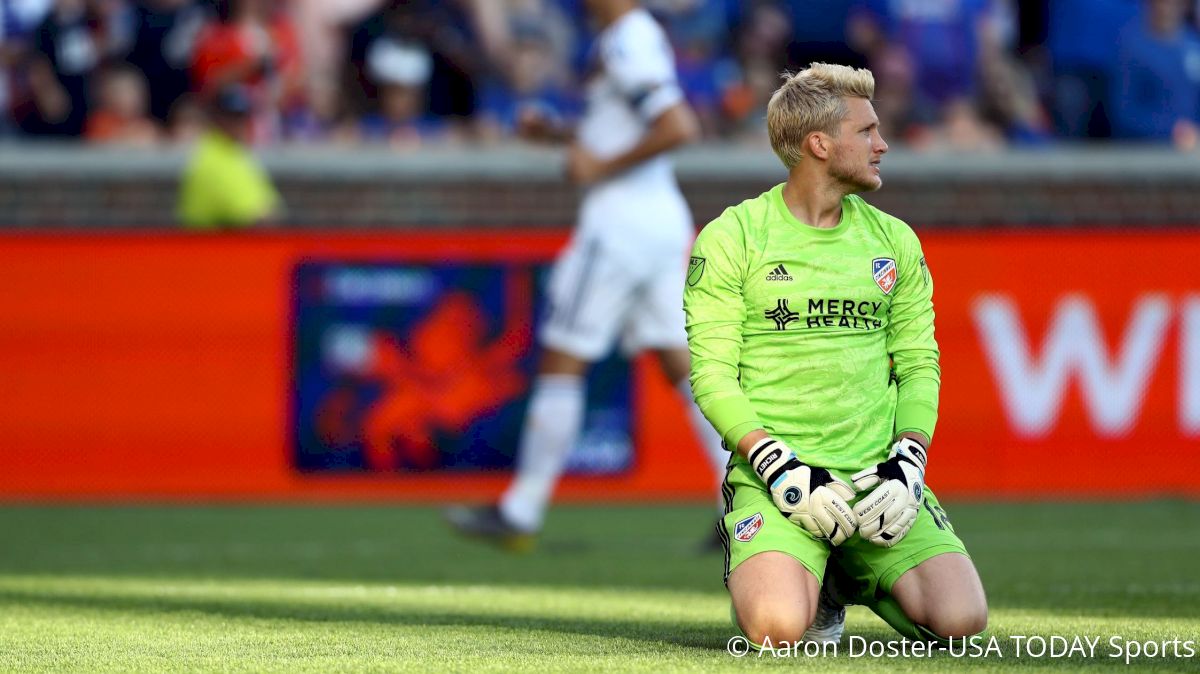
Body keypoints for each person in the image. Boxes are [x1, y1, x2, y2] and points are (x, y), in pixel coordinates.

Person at [683, 63, 988, 646]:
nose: (883, 144)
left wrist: (909, 462)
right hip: (779, 477)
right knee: (775, 629)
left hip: (878, 475)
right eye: (867, 131)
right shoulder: (732, 238)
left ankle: (847, 568)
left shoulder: (894, 240)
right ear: (819, 144)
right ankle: (808, 579)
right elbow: (714, 377)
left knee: (961, 621)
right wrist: (781, 469)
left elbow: (920, 365)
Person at [445, 0, 729, 552]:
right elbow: (623, 126)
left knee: (561, 358)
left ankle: (520, 512)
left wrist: (599, 167)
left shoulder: (627, 39)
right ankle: (743, 503)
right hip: (658, 223)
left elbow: (677, 126)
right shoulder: (626, 38)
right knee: (686, 370)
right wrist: (558, 134)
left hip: (619, 226)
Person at [177, 83, 281, 229]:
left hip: (234, 245)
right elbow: (257, 219)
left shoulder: (235, 152)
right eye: (231, 116)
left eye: (242, 116)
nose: (239, 123)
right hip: (210, 248)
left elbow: (271, 209)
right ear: (216, 118)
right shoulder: (209, 159)